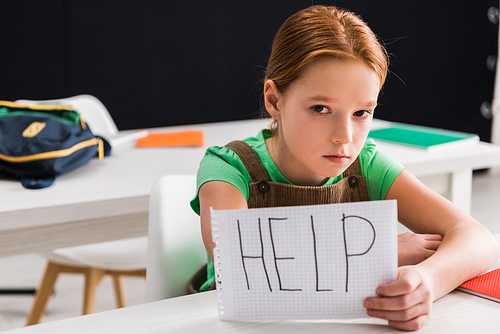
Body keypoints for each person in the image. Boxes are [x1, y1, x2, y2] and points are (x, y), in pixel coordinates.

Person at [190, 5, 500, 331]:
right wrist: (378, 252)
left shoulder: (365, 161)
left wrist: (428, 280)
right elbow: (242, 266)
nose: (345, 137)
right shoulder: (228, 168)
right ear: (275, 101)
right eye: (321, 108)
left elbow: (479, 240)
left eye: (362, 113)